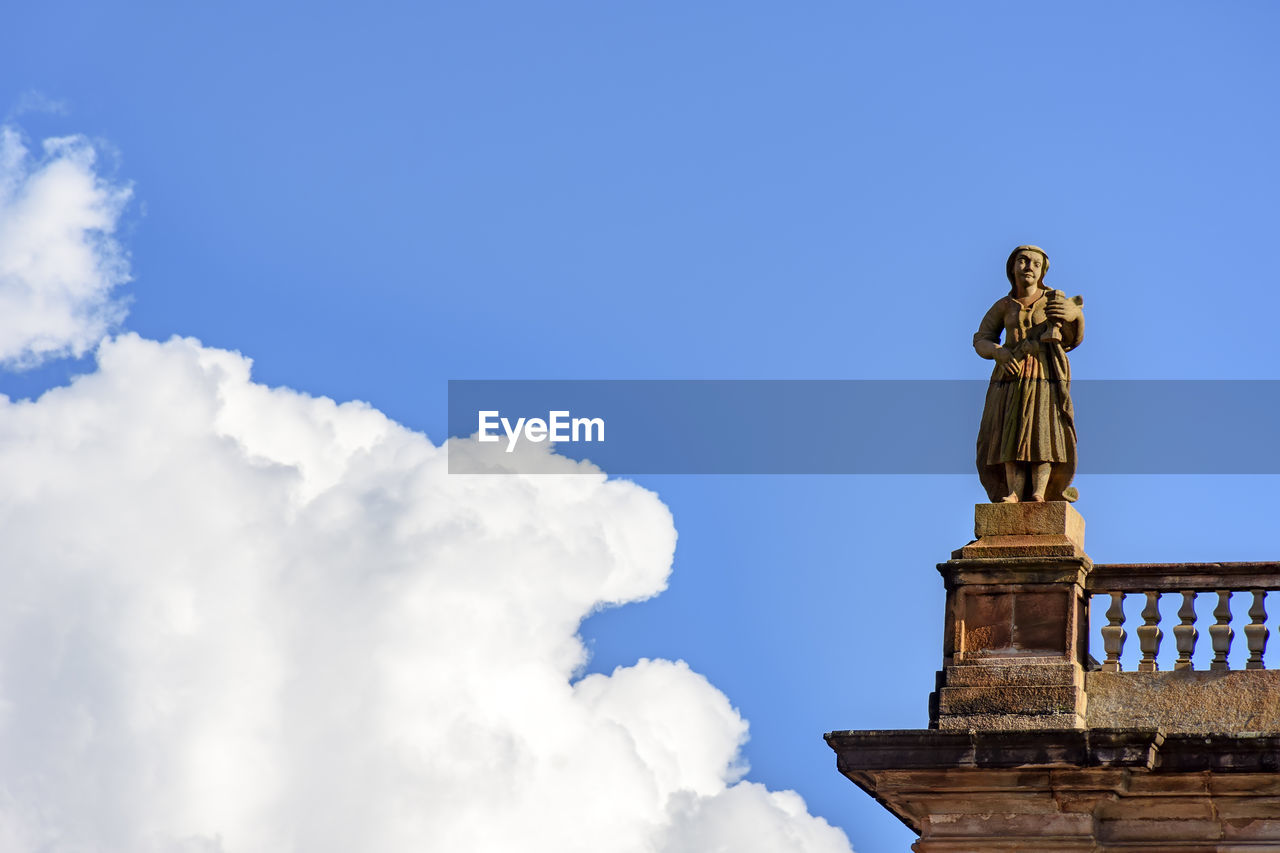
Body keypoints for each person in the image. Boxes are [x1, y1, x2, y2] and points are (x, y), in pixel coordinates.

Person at [973, 245, 1084, 502]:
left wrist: (1074, 316)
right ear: (1012, 267)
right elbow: (981, 339)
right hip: (1010, 376)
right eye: (1022, 261)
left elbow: (1072, 337)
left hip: (1044, 376)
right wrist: (998, 353)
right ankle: (1012, 491)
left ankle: (1039, 491)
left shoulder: (1053, 299)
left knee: (1041, 431)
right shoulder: (1004, 305)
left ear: (1043, 271)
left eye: (1035, 263)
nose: (1028, 267)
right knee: (1010, 433)